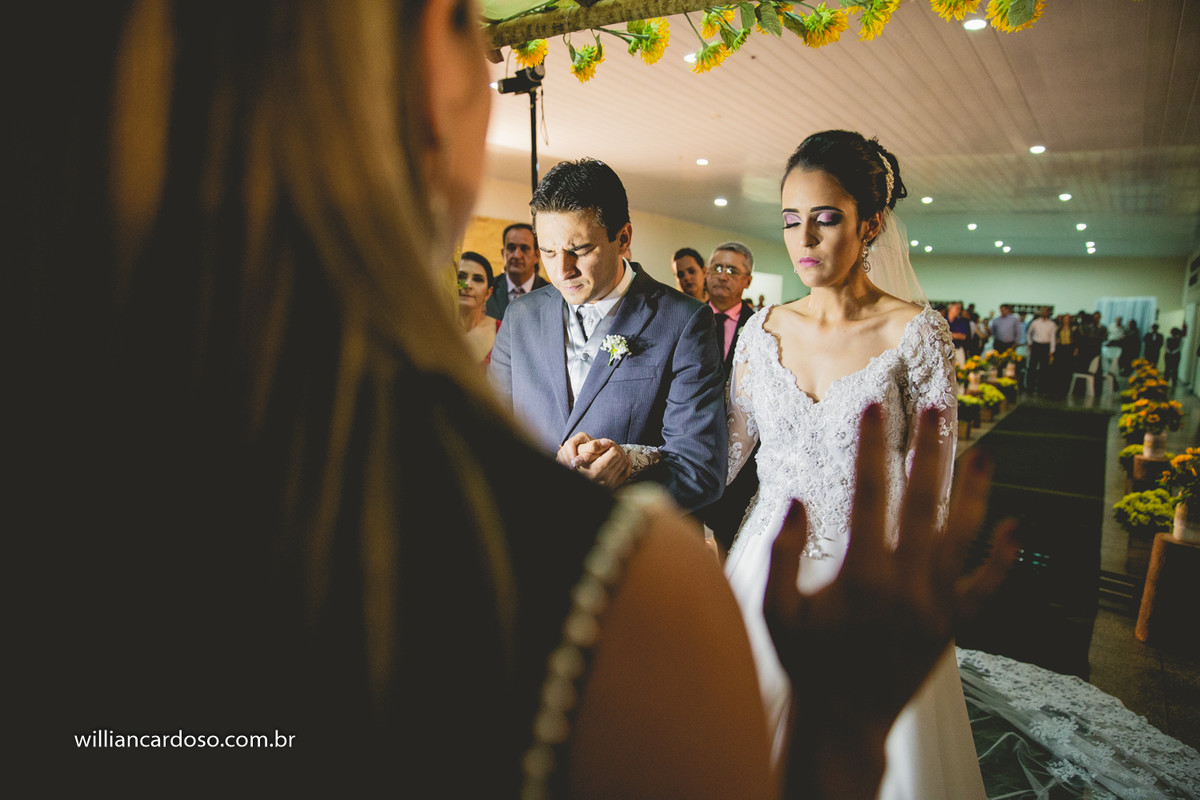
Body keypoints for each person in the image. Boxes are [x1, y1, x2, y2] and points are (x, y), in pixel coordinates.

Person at [13, 4, 1019, 798]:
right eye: (462, 22)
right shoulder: (627, 595)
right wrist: (839, 739)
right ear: (428, 71)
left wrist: (651, 468)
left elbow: (712, 453)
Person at [722, 129, 988, 799]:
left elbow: (938, 481)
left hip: (870, 570)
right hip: (764, 566)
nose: (804, 239)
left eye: (825, 218)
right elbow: (728, 452)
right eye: (790, 221)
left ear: (870, 224)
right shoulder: (763, 331)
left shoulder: (914, 333)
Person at [490, 158, 727, 512]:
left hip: (629, 549)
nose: (562, 270)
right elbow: (491, 438)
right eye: (548, 251)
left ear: (623, 238)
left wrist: (617, 478)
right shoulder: (520, 316)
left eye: (580, 250)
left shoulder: (684, 321)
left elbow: (699, 470)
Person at [699, 242, 761, 550]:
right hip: (693, 449)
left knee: (729, 543)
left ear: (747, 280)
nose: (723, 276)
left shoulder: (760, 328)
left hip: (741, 462)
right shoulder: (687, 318)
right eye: (717, 268)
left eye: (732, 270)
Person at [485, 222, 550, 320]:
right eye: (511, 248)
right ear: (503, 253)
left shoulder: (551, 294)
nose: (517, 255)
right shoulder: (488, 289)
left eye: (524, 248)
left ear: (537, 255)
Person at [457, 251, 501, 365]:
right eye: (461, 277)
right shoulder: (433, 328)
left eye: (477, 279)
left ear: (488, 292)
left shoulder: (503, 331)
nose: (468, 285)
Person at [1024, 306, 1057, 394]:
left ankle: (1041, 388)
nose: (1044, 313)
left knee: (1044, 368)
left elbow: (1053, 337)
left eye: (1046, 311)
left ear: (1049, 313)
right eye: (1043, 311)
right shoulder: (1035, 322)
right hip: (1036, 345)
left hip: (1046, 345)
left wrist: (1052, 350)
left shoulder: (1052, 324)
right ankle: (1030, 387)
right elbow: (1028, 333)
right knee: (1032, 367)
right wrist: (1030, 342)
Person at [946, 301, 970, 365]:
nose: (959, 311)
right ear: (950, 309)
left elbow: (963, 336)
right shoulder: (943, 320)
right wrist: (955, 334)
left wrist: (947, 334)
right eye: (957, 309)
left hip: (958, 348)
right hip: (946, 350)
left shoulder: (961, 322)